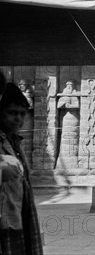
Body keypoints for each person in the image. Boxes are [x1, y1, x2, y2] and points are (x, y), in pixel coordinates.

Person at [0, 82, 44, 255]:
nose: (18, 118)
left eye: (22, 114)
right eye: (11, 113)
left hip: (18, 212)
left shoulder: (15, 142)